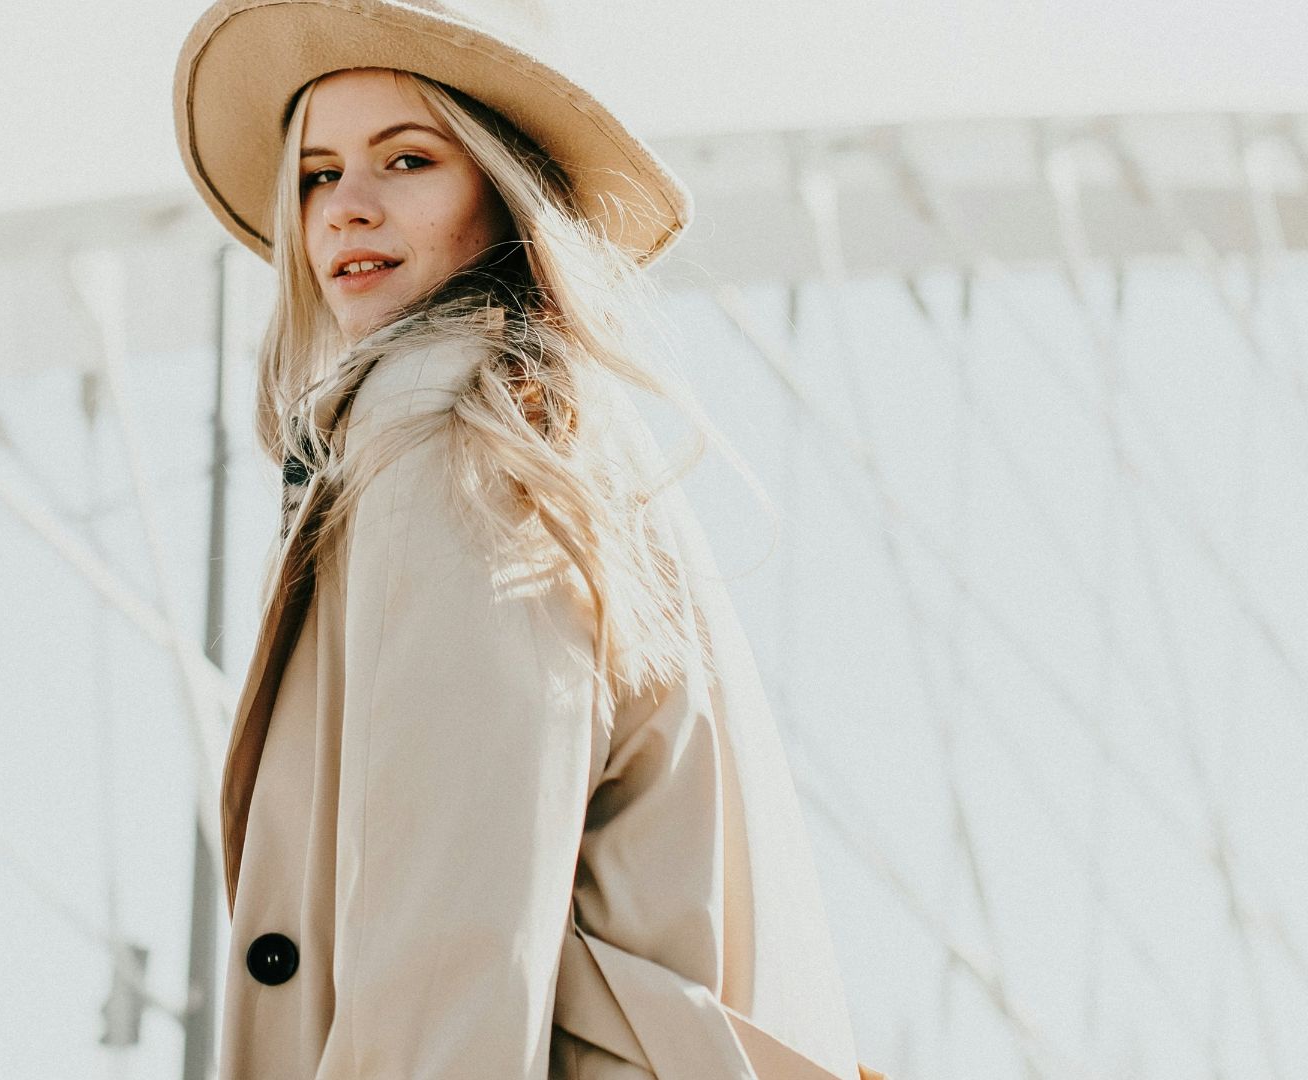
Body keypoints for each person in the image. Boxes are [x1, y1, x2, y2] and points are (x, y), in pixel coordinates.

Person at [174, 2, 891, 1078]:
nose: (346, 210)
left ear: (500, 189)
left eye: (406, 160)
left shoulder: (447, 425)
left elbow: (451, 925)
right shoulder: (552, 428)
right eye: (317, 175)